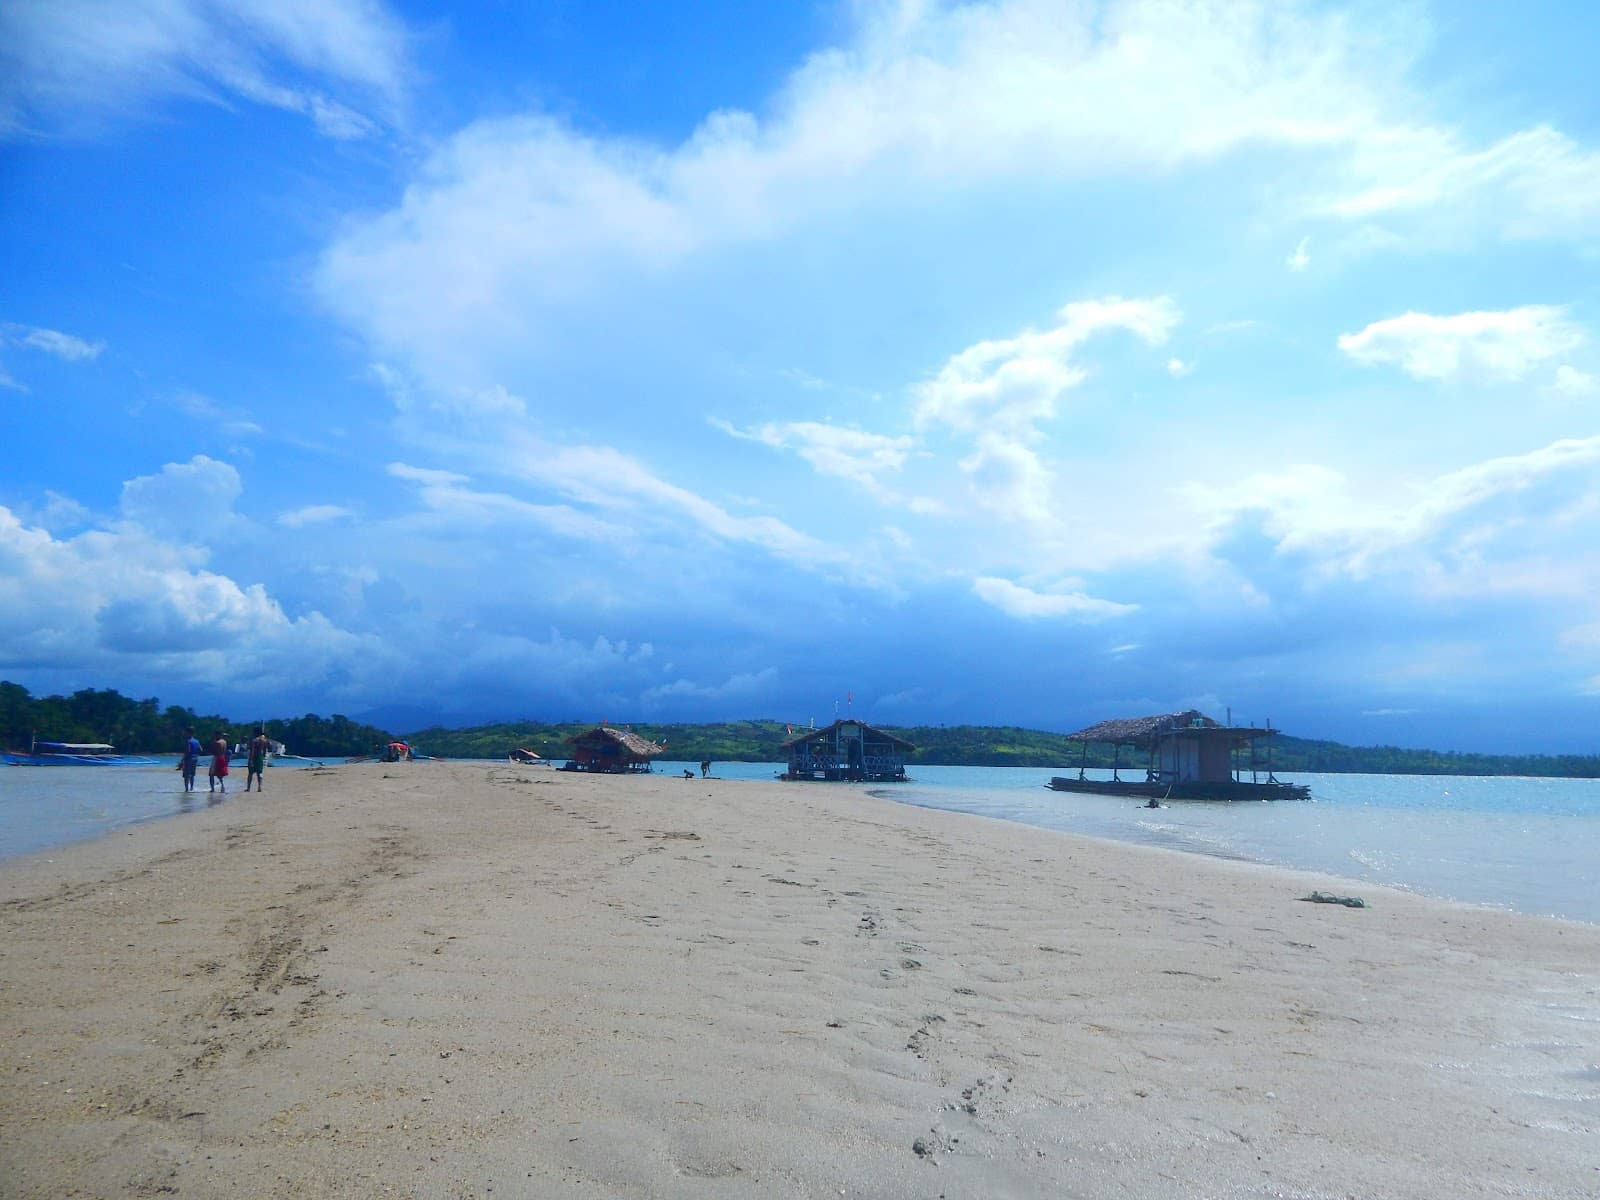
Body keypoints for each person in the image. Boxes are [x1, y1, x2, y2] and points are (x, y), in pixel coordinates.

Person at [245, 726, 270, 792]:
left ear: (255, 732)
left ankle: (248, 788)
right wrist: (263, 756)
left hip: (254, 757)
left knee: (250, 773)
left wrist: (250, 760)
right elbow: (265, 750)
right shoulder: (264, 740)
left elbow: (252, 751)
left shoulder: (254, 740)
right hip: (260, 757)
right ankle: (259, 786)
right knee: (260, 773)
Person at [179, 727, 202, 792]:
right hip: (195, 758)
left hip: (189, 759)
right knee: (192, 774)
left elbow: (187, 751)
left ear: (189, 733)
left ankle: (186, 789)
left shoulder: (188, 741)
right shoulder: (196, 741)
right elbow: (201, 750)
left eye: (186, 732)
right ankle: (191, 788)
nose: (185, 734)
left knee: (186, 775)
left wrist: (182, 761)